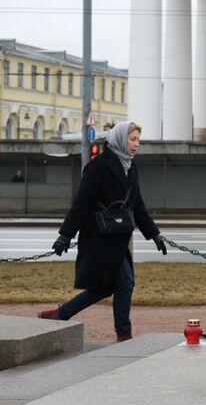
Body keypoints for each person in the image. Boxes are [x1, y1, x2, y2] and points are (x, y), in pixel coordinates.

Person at [39, 122, 165, 341]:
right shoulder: (98, 166)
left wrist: (155, 234)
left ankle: (61, 313)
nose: (137, 145)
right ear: (119, 139)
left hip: (117, 238)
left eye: (138, 140)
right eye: (132, 139)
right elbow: (81, 203)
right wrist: (65, 235)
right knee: (126, 282)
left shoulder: (131, 169)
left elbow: (138, 208)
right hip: (98, 238)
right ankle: (124, 334)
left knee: (105, 287)